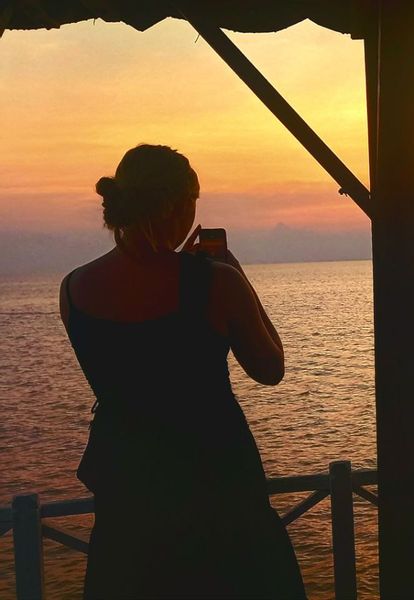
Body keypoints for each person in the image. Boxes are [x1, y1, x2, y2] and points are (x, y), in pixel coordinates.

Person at [59, 144, 306, 599]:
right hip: (216, 484)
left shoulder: (73, 288)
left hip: (127, 488)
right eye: (194, 200)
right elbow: (270, 367)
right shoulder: (215, 282)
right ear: (176, 205)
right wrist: (236, 278)